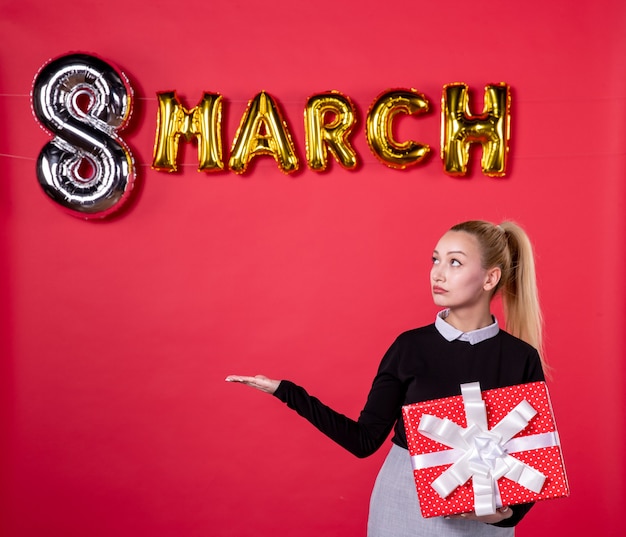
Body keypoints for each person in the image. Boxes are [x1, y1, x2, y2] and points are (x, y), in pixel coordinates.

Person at [226, 220, 547, 537]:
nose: (438, 273)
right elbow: (364, 441)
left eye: (455, 262)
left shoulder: (521, 359)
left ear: (490, 277)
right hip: (403, 502)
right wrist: (287, 392)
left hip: (483, 513)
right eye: (435, 259)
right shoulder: (410, 347)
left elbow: (534, 460)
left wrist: (501, 516)